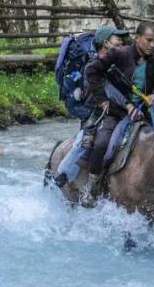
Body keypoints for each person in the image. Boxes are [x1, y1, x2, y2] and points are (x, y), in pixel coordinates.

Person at [79, 21, 154, 207]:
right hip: (116, 112)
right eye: (149, 40)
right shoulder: (119, 54)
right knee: (102, 143)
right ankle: (92, 186)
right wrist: (102, 99)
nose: (152, 45)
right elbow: (91, 71)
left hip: (144, 114)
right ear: (137, 38)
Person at [52, 22, 128, 187]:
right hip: (93, 107)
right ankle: (68, 174)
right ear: (106, 43)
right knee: (89, 139)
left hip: (112, 106)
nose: (121, 43)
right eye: (117, 40)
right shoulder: (93, 64)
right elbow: (105, 90)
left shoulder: (115, 59)